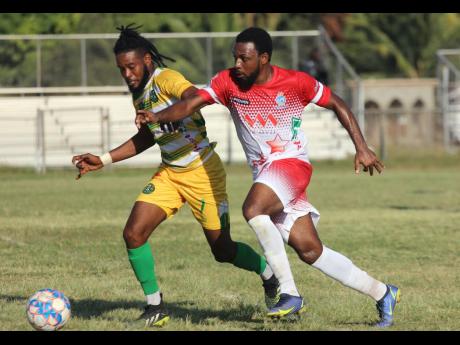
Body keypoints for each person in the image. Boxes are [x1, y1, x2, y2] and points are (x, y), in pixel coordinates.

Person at [135, 27, 401, 328]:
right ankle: (383, 293)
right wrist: (158, 116)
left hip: (291, 165)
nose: (237, 64)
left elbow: (337, 103)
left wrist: (361, 146)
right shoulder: (227, 82)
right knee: (310, 250)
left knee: (253, 209)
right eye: (235, 57)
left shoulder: (296, 82)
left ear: (263, 58)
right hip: (267, 175)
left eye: (244, 58)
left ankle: (289, 292)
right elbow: (190, 103)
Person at [71, 25, 280, 328]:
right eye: (121, 69)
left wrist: (165, 114)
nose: (127, 74)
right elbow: (147, 137)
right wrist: (103, 159)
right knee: (133, 233)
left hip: (203, 173)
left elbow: (193, 96)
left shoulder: (165, 79)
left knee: (223, 251)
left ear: (146, 60)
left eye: (131, 67)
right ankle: (155, 306)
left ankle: (269, 274)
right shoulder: (139, 94)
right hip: (170, 172)